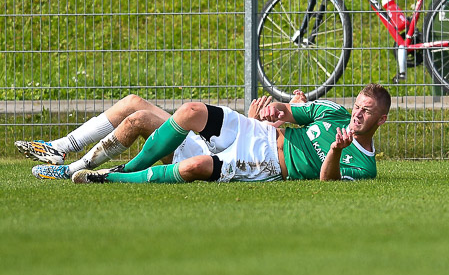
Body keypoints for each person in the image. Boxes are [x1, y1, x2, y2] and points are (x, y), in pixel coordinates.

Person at [69, 83, 390, 184]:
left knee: (195, 166)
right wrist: (276, 110)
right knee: (191, 111)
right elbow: (291, 112)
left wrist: (335, 150)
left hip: (266, 163)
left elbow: (326, 181)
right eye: (357, 106)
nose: (357, 114)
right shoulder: (334, 112)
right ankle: (114, 168)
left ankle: (110, 178)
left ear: (381, 120)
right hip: (259, 132)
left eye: (366, 111)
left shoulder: (365, 167)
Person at [17, 92, 305, 180]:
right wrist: (291, 108)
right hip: (208, 139)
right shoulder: (311, 119)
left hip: (207, 153)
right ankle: (60, 147)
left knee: (138, 120)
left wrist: (255, 120)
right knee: (132, 102)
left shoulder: (313, 144)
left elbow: (260, 149)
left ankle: (71, 170)